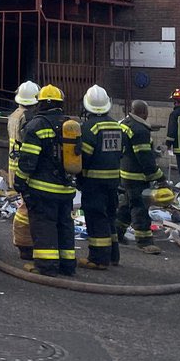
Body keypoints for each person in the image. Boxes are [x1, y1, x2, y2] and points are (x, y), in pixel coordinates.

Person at [15, 84, 78, 276]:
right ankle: (68, 265)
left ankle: (46, 265)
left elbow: (28, 160)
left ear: (40, 104)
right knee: (64, 224)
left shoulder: (36, 125)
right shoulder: (71, 125)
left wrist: (20, 180)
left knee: (44, 224)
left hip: (43, 188)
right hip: (66, 188)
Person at [78, 85, 124, 269]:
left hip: (94, 182)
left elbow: (85, 157)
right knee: (109, 217)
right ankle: (113, 256)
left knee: (96, 219)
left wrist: (78, 175)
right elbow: (121, 152)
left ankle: (98, 259)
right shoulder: (116, 125)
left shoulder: (89, 127)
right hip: (113, 180)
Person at [115, 100, 165, 255]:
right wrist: (159, 177)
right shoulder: (140, 129)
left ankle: (116, 234)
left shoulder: (124, 123)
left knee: (126, 205)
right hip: (136, 176)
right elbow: (144, 157)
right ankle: (144, 242)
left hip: (123, 172)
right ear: (143, 112)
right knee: (140, 207)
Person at [7, 81, 39, 261]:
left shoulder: (14, 115)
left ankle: (24, 244)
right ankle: (25, 245)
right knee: (28, 209)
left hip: (15, 168)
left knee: (24, 207)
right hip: (24, 169)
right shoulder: (28, 118)